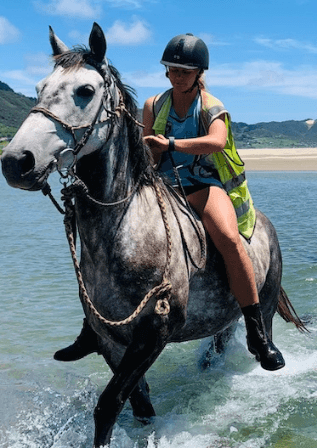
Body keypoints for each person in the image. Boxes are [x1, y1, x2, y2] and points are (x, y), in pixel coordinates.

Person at [54, 33, 285, 371]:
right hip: (160, 186)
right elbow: (148, 150)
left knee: (229, 239)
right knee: (99, 236)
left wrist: (172, 145)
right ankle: (93, 328)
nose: (177, 76)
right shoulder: (154, 105)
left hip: (203, 185)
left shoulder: (211, 106)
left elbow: (217, 142)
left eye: (184, 71)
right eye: (172, 70)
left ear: (198, 73)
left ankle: (257, 333)